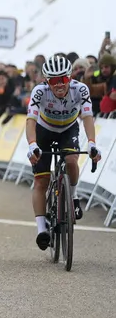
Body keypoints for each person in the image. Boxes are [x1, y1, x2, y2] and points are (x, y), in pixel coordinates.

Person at [26, 55, 102, 250]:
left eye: (63, 79)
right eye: (53, 80)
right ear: (46, 81)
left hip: (68, 129)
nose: (59, 85)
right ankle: (42, 229)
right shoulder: (39, 92)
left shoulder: (80, 89)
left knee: (71, 160)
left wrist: (92, 143)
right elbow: (31, 121)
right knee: (41, 181)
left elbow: (87, 117)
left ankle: (74, 197)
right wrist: (32, 144)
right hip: (44, 130)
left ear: (70, 77)